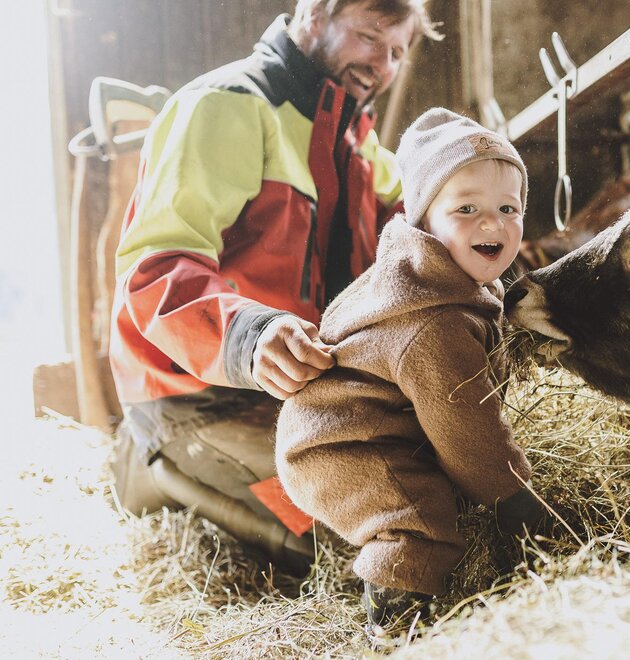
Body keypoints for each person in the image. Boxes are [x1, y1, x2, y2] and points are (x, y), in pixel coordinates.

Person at [109, 0, 441, 570]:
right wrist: (251, 336)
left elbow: (424, 221)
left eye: (396, 51)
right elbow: (156, 269)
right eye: (369, 37)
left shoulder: (357, 144)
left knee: (437, 501)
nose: (382, 65)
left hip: (302, 393)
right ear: (314, 15)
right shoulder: (224, 105)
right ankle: (150, 462)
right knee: (346, 545)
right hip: (200, 398)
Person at [275, 108, 546, 632]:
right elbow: (467, 429)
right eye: (466, 208)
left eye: (508, 208)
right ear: (424, 220)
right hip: (344, 444)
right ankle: (395, 627)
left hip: (376, 427)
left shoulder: (446, 278)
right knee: (417, 522)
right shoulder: (433, 323)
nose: (492, 223)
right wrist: (513, 495)